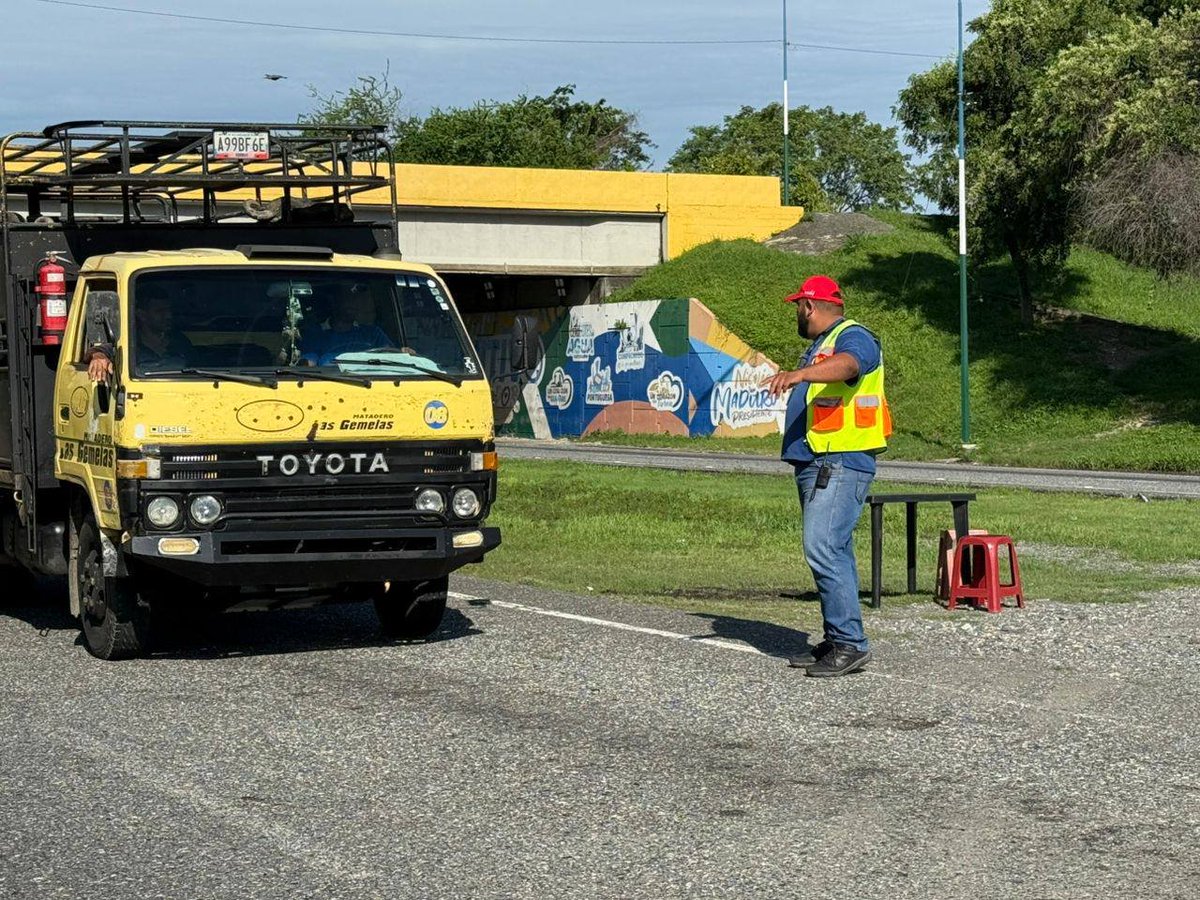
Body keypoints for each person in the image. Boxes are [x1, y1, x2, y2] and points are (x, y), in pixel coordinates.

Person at [762, 275, 891, 678]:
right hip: (818, 461)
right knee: (834, 549)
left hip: (838, 460)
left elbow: (851, 366)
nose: (797, 314)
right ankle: (838, 639)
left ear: (810, 306)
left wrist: (799, 376)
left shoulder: (853, 338)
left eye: (797, 306)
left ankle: (850, 644)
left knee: (822, 547)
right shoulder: (822, 344)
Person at [86, 284, 192, 381]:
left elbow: (197, 368)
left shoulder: (180, 342)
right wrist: (98, 357)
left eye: (169, 310)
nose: (168, 316)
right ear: (142, 315)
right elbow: (97, 351)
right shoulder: (128, 341)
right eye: (160, 311)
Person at [300, 283, 392, 366]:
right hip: (331, 382)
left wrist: (404, 353)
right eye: (348, 297)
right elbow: (308, 363)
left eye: (356, 298)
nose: (354, 303)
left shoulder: (373, 333)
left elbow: (392, 357)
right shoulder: (315, 334)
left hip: (376, 381)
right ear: (334, 301)